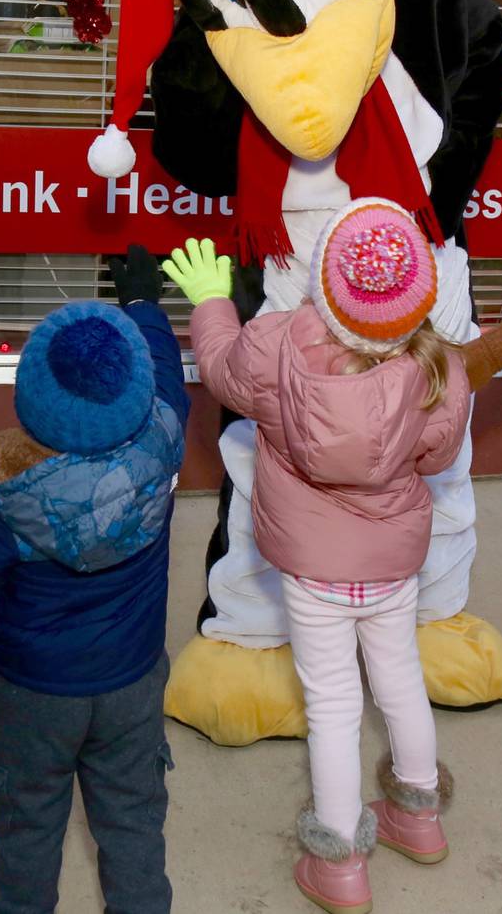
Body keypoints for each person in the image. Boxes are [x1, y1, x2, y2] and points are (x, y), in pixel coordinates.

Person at [163, 202, 471, 914]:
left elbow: (219, 370)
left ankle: (339, 862)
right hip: (393, 559)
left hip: (310, 564)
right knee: (398, 679)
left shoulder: (274, 346)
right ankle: (419, 818)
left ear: (322, 286)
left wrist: (212, 301)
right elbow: (440, 453)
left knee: (333, 703)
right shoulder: (440, 369)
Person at [0, 245, 189, 914]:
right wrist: (144, 301)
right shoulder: (162, 438)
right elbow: (166, 373)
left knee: (27, 825)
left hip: (33, 693)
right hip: (131, 681)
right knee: (133, 822)